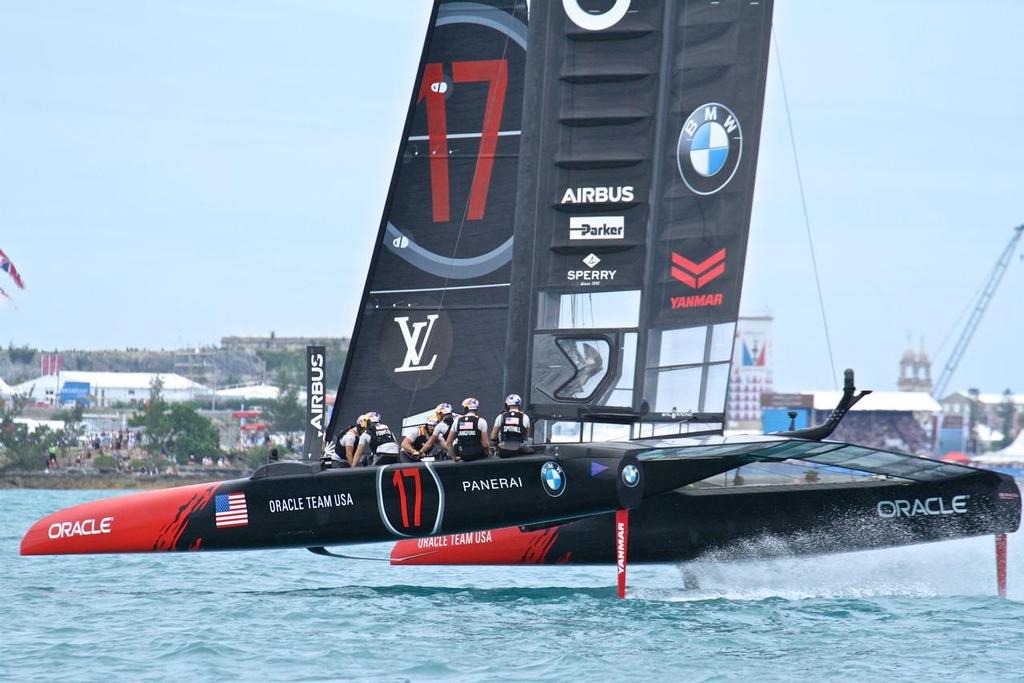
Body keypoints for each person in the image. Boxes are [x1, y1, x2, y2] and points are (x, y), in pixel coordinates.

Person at [446, 397, 490, 462]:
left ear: (465, 408)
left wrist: (454, 457)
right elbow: (485, 444)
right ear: (476, 408)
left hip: (462, 454)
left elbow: (449, 443)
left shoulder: (457, 421)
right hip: (477, 453)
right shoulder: (481, 421)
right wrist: (487, 454)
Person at [490, 393, 531, 457]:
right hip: (519, 451)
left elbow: (493, 437)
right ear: (519, 404)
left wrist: (497, 446)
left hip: (503, 451)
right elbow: (526, 436)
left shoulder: (500, 417)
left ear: (507, 405)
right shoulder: (525, 417)